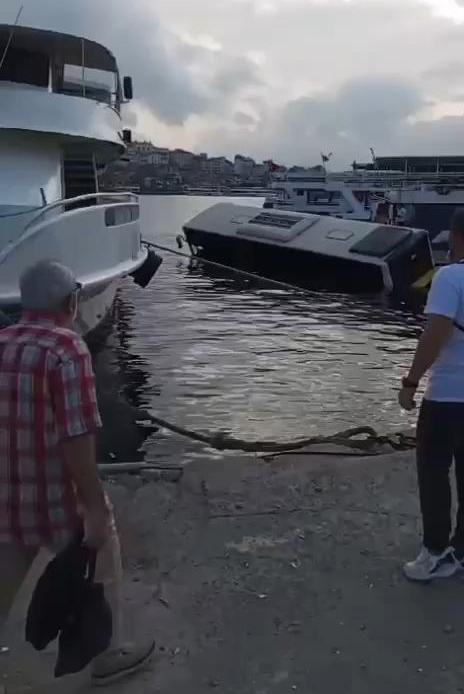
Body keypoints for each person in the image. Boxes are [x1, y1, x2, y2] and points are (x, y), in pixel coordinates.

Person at [0, 261, 154, 690]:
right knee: (104, 555)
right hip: (57, 501)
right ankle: (108, 655)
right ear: (70, 301)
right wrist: (93, 507)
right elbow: (77, 437)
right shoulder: (66, 349)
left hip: (5, 498)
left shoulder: (2, 342)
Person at [399, 208, 464, 581]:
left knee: (434, 476)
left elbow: (434, 335)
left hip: (447, 400)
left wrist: (411, 383)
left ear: (456, 236)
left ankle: (435, 552)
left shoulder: (450, 277)